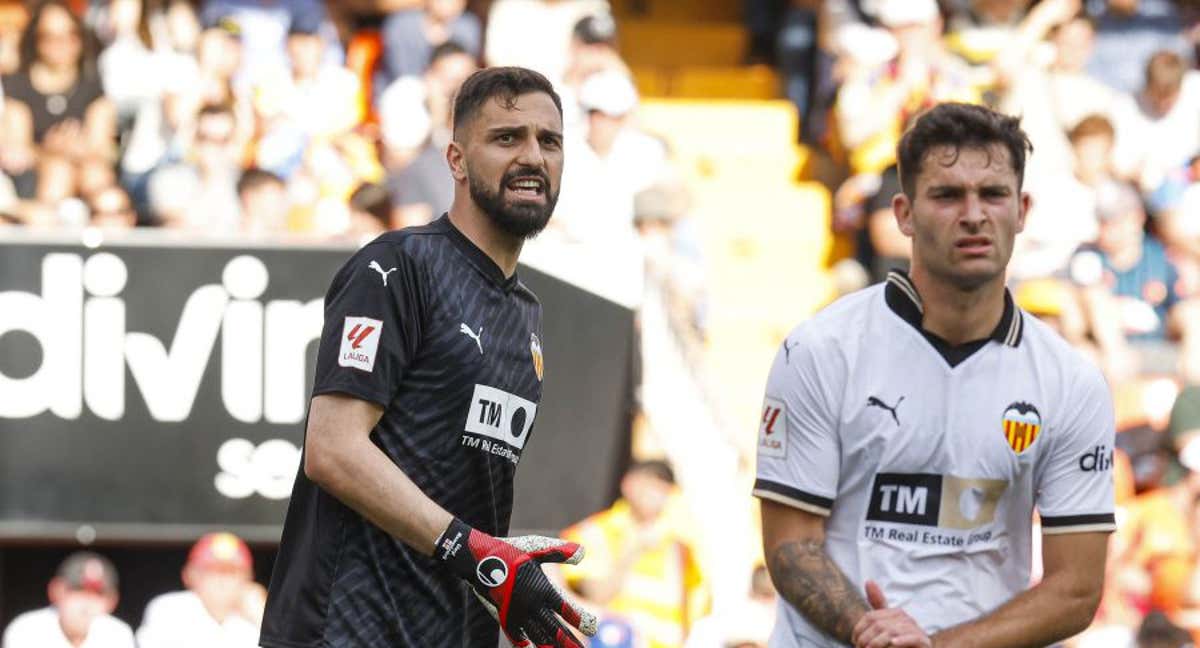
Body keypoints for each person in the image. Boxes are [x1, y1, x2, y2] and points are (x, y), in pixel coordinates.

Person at [755, 102, 1116, 647]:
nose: (973, 214)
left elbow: (1077, 588)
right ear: (904, 213)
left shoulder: (1071, 382)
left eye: (992, 194)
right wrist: (868, 631)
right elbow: (790, 547)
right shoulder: (821, 350)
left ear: (1022, 211)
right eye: (947, 195)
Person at [260, 66, 596, 648]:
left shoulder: (528, 315)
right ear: (457, 160)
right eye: (507, 137)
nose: (533, 156)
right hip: (343, 631)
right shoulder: (398, 266)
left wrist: (498, 558)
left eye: (549, 141)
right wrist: (478, 553)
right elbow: (332, 450)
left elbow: (456, 502)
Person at [560, 460, 707, 648]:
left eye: (663, 490)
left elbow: (691, 609)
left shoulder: (679, 543)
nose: (656, 496)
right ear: (629, 484)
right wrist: (632, 551)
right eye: (650, 487)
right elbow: (596, 595)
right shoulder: (594, 532)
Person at [135, 532, 261, 648]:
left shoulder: (254, 615)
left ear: (248, 578)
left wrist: (261, 617)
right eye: (212, 570)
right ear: (189, 575)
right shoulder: (170, 608)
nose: (222, 580)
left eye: (231, 572)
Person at [1, 551, 135, 648]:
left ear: (112, 601)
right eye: (78, 591)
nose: (86, 604)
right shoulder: (26, 630)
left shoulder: (118, 634)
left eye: (97, 594)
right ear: (55, 591)